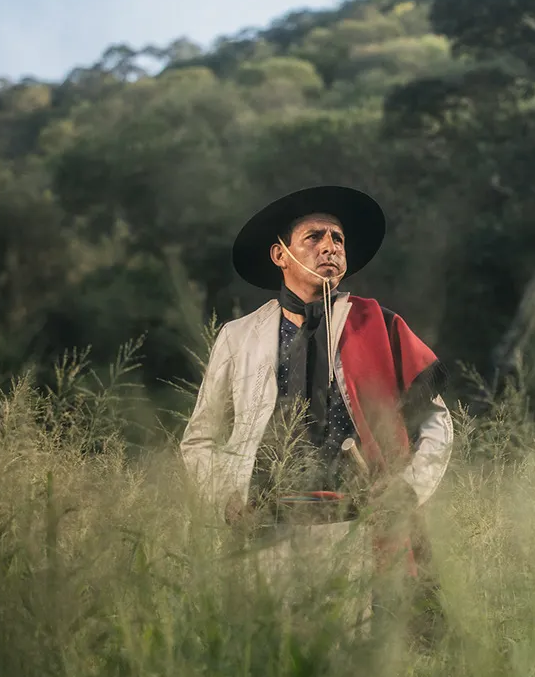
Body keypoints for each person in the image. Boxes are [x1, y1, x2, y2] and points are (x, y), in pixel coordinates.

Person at [179, 185, 454, 608]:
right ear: (279, 255)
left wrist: (408, 490)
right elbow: (199, 439)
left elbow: (436, 424)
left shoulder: (379, 324)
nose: (330, 247)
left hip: (359, 526)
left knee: (357, 658)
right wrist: (226, 500)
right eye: (314, 238)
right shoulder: (238, 337)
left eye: (338, 239)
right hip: (262, 529)